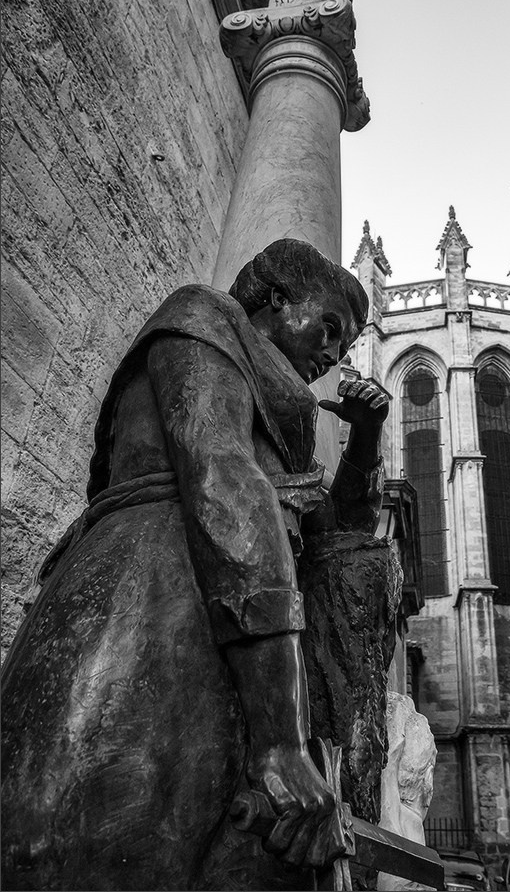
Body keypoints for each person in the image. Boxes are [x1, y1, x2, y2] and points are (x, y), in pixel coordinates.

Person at [1, 239, 389, 891]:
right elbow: (222, 481)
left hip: (222, 621)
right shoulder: (204, 318)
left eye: (345, 351)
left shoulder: (280, 423)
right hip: (157, 588)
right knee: (92, 840)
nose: (331, 358)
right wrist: (281, 740)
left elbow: (335, 533)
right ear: (275, 299)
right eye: (329, 329)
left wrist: (369, 435)